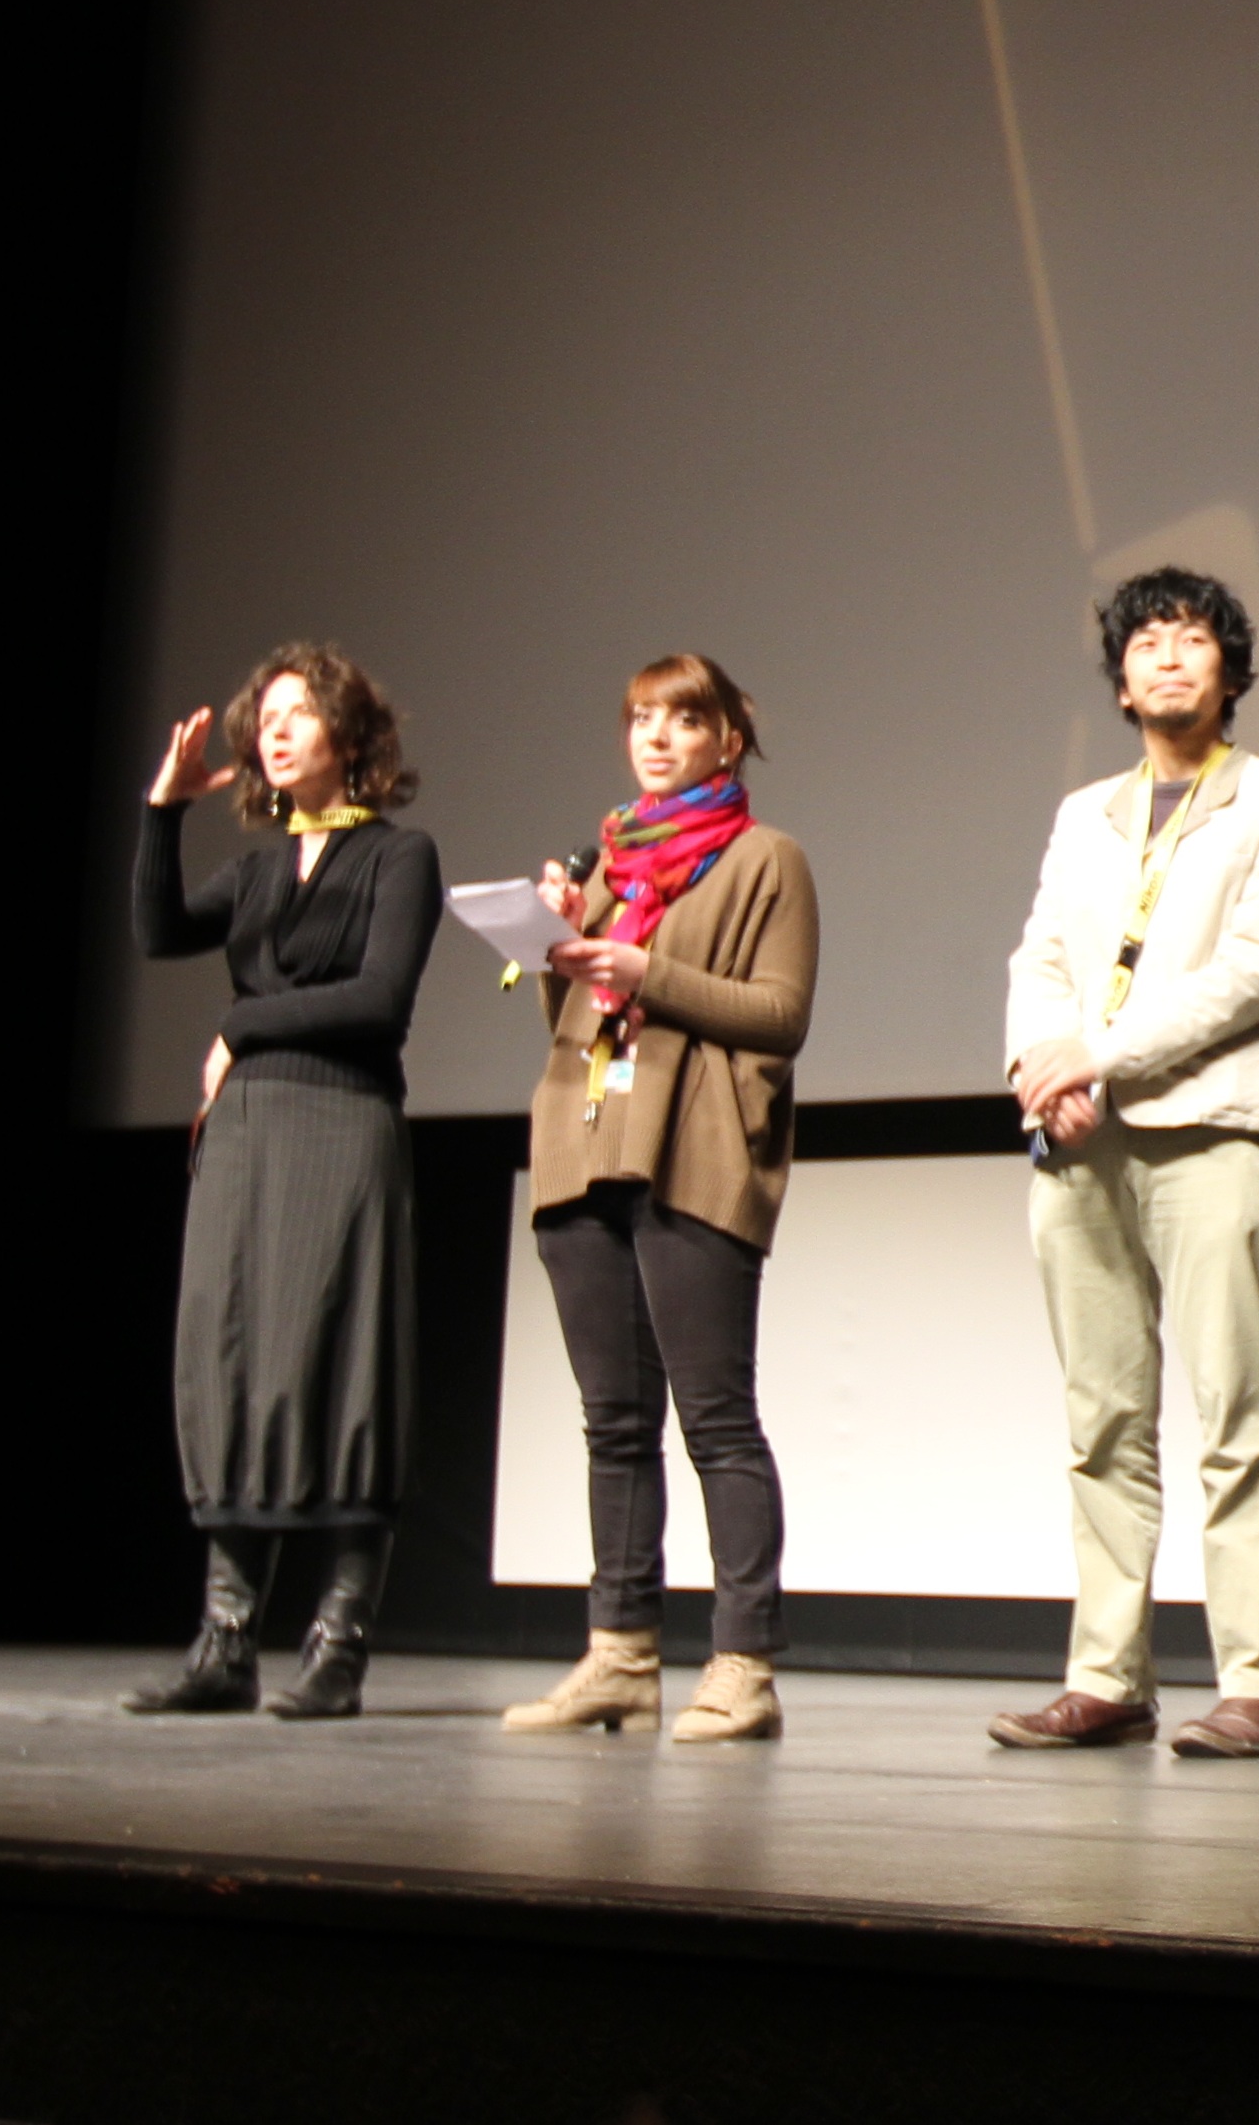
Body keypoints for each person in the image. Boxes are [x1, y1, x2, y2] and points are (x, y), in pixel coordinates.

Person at [985, 567, 1259, 1759]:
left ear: (1228, 672)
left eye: (1191, 640)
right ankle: (1105, 1675)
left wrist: (1099, 1058)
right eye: (1146, 642)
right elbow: (1038, 956)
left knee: (1237, 1410)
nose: (1168, 657)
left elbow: (1253, 969)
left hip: (1213, 1133)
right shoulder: (1085, 811)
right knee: (1100, 1420)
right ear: (1121, 681)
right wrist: (1047, 1064)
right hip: (1079, 1139)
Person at [497, 654, 818, 1748]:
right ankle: (620, 1655)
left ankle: (742, 1663)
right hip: (587, 1138)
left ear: (728, 738)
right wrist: (554, 943)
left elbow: (779, 1013)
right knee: (611, 1422)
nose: (657, 736)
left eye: (684, 718)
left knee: (715, 1420)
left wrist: (646, 975)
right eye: (641, 717)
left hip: (695, 1144)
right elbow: (575, 1014)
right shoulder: (607, 866)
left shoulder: (766, 861)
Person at [124, 643, 442, 1721]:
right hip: (246, 1134)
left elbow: (379, 999)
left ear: (348, 736)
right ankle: (224, 1641)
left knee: (335, 1366)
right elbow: (159, 930)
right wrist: (162, 811)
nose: (273, 725)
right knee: (229, 1360)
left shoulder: (400, 857)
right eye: (267, 713)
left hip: (340, 1123)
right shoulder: (258, 870)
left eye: (298, 712)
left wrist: (239, 1022)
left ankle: (338, 1640)